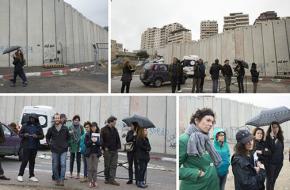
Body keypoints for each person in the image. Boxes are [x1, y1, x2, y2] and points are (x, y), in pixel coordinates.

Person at [179, 108, 221, 190]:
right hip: (196, 186)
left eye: (212, 122)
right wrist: (196, 173)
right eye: (208, 120)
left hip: (212, 185)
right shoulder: (184, 140)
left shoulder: (206, 139)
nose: (210, 124)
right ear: (197, 120)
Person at [17, 114, 44, 182]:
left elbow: (42, 136)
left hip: (34, 147)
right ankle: (20, 175)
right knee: (25, 161)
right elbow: (20, 134)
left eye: (33, 118)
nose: (32, 119)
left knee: (32, 161)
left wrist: (37, 136)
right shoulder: (25, 125)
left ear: (36, 119)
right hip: (26, 146)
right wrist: (24, 135)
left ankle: (31, 176)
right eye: (31, 118)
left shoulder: (38, 126)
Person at [46, 113, 70, 186]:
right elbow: (47, 137)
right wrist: (50, 144)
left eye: (58, 118)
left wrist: (67, 145)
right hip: (54, 150)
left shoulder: (65, 128)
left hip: (63, 150)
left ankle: (62, 180)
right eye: (55, 118)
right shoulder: (51, 129)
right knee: (55, 165)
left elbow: (69, 138)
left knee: (63, 164)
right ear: (54, 119)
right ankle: (57, 179)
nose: (57, 119)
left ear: (60, 119)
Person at [100, 116, 121, 186]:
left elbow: (118, 139)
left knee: (114, 165)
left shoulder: (115, 130)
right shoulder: (103, 129)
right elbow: (101, 140)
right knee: (107, 166)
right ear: (110, 122)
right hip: (107, 151)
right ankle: (107, 178)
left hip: (114, 150)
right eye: (114, 122)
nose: (115, 123)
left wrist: (118, 147)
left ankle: (112, 179)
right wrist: (104, 147)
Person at [265, 122, 284, 190]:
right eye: (273, 127)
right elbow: (271, 150)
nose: (275, 129)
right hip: (271, 164)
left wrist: (281, 162)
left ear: (279, 128)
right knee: (269, 180)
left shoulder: (280, 138)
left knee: (274, 180)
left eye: (276, 127)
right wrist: (272, 138)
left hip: (279, 163)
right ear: (270, 128)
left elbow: (281, 150)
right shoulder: (267, 138)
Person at [85, 121, 102, 188]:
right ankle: (90, 182)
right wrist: (91, 140)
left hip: (96, 153)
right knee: (89, 168)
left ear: (96, 127)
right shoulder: (87, 134)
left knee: (95, 168)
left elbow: (101, 143)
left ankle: (94, 181)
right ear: (91, 127)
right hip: (89, 153)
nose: (93, 128)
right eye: (92, 127)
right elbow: (86, 144)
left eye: (94, 127)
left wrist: (96, 141)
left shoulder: (99, 134)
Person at [68, 115, 84, 179]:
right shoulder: (70, 127)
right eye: (75, 120)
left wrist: (80, 141)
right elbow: (68, 136)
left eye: (78, 120)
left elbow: (83, 135)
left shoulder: (81, 127)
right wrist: (69, 143)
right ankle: (71, 173)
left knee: (78, 160)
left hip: (79, 145)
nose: (76, 121)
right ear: (73, 120)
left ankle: (78, 174)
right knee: (71, 160)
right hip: (72, 144)